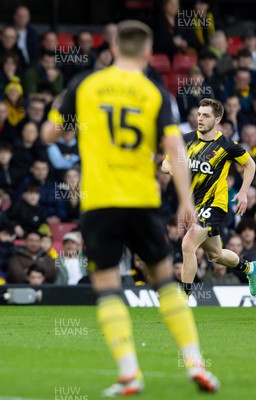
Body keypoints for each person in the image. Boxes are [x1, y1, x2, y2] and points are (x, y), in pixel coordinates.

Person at [42, 20, 219, 395]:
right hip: (142, 199)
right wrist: (187, 201)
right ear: (148, 52)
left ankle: (128, 372)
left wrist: (64, 116)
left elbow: (49, 134)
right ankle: (195, 363)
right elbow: (175, 151)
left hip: (100, 201)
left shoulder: (85, 85)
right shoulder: (155, 93)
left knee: (106, 285)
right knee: (165, 283)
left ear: (113, 46)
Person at [162, 98, 256, 296]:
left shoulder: (227, 145)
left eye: (206, 115)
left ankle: (184, 297)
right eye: (198, 114)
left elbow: (250, 165)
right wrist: (173, 169)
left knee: (187, 244)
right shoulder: (186, 140)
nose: (200, 119)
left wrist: (243, 192)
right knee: (216, 255)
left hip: (214, 204)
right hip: (194, 205)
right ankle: (250, 269)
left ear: (218, 119)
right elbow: (164, 164)